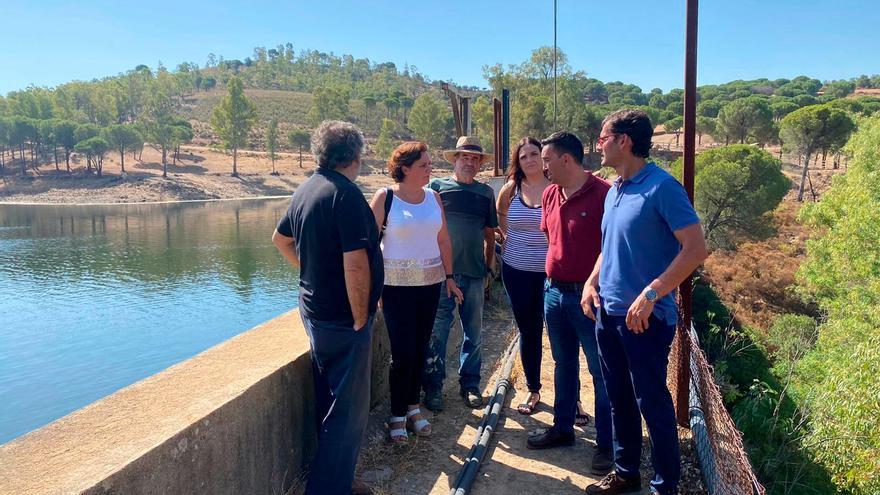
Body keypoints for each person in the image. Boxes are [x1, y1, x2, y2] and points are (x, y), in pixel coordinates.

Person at [582, 109, 708, 495]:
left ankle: (664, 486)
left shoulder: (662, 187)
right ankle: (626, 472)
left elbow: (696, 249)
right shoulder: (615, 188)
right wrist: (591, 281)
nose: (598, 145)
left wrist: (653, 293)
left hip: (646, 319)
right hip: (610, 313)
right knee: (618, 396)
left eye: (603, 137)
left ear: (624, 141)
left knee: (651, 403)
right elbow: (610, 247)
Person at [271, 121, 383, 495]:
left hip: (315, 315)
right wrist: (360, 316)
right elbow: (355, 264)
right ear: (355, 155)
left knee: (331, 403)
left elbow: (280, 239)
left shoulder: (306, 189)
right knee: (348, 415)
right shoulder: (345, 195)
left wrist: (312, 272)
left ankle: (340, 482)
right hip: (342, 321)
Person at [525, 131, 614, 476]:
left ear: (566, 160)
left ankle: (607, 444)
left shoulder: (604, 194)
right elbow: (550, 236)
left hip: (589, 298)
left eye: (546, 160)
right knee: (563, 364)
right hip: (554, 292)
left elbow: (612, 247)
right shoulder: (550, 194)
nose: (542, 166)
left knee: (601, 372)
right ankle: (563, 429)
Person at [369, 141, 463, 445]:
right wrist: (373, 286)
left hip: (429, 286)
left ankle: (412, 407)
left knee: (421, 349)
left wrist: (449, 276)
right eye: (423, 165)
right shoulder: (386, 198)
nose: (429, 169)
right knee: (403, 354)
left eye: (430, 164)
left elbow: (444, 240)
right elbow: (369, 246)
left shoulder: (434, 197)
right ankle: (396, 415)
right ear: (405, 168)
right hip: (395, 289)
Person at [422, 136, 498, 411]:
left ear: (479, 164)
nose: (470, 162)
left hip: (475, 275)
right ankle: (433, 388)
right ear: (455, 159)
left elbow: (490, 234)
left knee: (474, 334)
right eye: (465, 157)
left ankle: (470, 385)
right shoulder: (435, 189)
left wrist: (489, 267)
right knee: (438, 333)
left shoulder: (485, 193)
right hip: (441, 277)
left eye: (475, 158)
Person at [496, 137, 550, 415]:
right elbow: (500, 214)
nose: (529, 160)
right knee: (529, 331)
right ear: (517, 162)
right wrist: (508, 238)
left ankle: (573, 396)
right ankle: (533, 389)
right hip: (515, 272)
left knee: (563, 334)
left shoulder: (557, 188)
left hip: (551, 274)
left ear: (543, 156)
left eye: (534, 154)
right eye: (523, 156)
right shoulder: (510, 189)